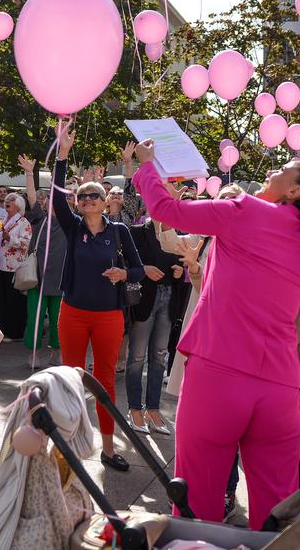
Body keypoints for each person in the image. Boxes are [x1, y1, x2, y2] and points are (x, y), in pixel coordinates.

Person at [130, 126, 300, 529]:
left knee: (195, 502)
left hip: (219, 375)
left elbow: (167, 211)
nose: (273, 171)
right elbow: (285, 209)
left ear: (294, 192)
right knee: (276, 512)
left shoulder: (243, 213)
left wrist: (147, 169)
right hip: (278, 387)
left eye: (283, 170)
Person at [51, 122, 145, 470]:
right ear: (77, 203)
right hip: (74, 312)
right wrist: (62, 155)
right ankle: (68, 447)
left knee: (105, 382)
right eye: (83, 196)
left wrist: (124, 273)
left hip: (108, 316)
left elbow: (138, 270)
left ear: (106, 201)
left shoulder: (119, 231)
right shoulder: (73, 227)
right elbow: (57, 196)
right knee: (70, 379)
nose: (88, 199)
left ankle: (107, 448)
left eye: (95, 195)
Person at [125, 178, 187, 437]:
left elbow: (187, 265)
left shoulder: (180, 235)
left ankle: (153, 409)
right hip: (145, 299)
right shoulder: (138, 233)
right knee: (137, 356)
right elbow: (126, 265)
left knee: (160, 355)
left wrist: (179, 271)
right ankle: (134, 409)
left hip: (169, 299)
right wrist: (143, 270)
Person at [18, 156, 67, 365]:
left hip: (62, 281)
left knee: (59, 321)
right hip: (38, 279)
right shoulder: (40, 217)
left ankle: (57, 352)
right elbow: (30, 197)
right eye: (49, 199)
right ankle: (34, 353)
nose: (52, 203)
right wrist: (29, 173)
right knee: (35, 320)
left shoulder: (70, 222)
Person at [0, 192, 32, 340]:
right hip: (2, 263)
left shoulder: (24, 222)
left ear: (19, 205)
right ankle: (2, 331)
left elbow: (26, 243)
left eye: (11, 200)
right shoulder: (2, 219)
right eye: (7, 200)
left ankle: (15, 332)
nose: (7, 201)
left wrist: (10, 238)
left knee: (15, 300)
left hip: (16, 266)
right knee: (2, 299)